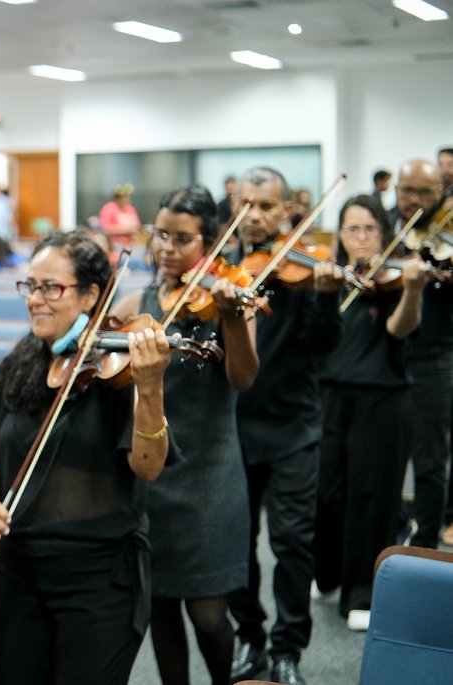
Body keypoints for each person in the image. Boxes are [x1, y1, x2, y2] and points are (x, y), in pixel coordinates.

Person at [0, 229, 173, 684]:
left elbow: (149, 466)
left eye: (52, 288)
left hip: (99, 579)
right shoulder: (20, 363)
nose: (35, 300)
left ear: (91, 295)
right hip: (19, 571)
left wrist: (152, 386)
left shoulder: (117, 370)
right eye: (31, 286)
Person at [113, 184, 258, 685]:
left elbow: (243, 378)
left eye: (183, 239)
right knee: (161, 606)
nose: (168, 248)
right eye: (161, 235)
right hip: (157, 467)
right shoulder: (139, 300)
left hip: (212, 472)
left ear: (210, 242)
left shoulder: (227, 299)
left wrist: (233, 320)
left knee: (209, 615)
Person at [227, 167, 346, 685]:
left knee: (292, 542)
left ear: (287, 211)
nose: (255, 215)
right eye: (246, 204)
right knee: (237, 542)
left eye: (267, 206)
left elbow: (324, 346)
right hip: (232, 427)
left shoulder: (303, 268)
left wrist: (323, 295)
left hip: (294, 424)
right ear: (234, 206)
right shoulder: (219, 266)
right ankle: (249, 636)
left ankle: (287, 649)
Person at [314, 194, 428, 632]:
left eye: (369, 229)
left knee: (372, 496)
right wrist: (325, 295)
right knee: (328, 492)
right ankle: (328, 572)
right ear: (339, 235)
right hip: (332, 397)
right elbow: (320, 341)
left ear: (384, 233)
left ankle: (362, 591)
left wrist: (414, 288)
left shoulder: (395, 279)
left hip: (383, 399)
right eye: (351, 229)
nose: (360, 239)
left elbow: (400, 330)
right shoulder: (332, 279)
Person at [390, 159, 452, 550]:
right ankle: (389, 535)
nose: (415, 200)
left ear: (440, 193)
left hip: (436, 352)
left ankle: (426, 542)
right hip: (386, 352)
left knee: (429, 456)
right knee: (384, 455)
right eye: (407, 190)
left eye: (425, 192)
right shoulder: (382, 232)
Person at [99, 182, 142, 248]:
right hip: (114, 245)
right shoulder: (108, 208)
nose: (127, 198)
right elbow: (105, 228)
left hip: (130, 244)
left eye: (127, 196)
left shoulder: (130, 208)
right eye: (124, 196)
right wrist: (126, 229)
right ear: (117, 197)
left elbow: (137, 226)